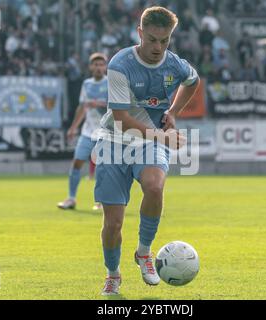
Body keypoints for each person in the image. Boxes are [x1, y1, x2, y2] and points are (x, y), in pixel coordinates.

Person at [94, 6, 199, 295]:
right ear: (140, 33)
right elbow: (122, 120)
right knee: (113, 224)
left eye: (164, 41)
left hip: (150, 142)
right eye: (152, 39)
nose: (158, 47)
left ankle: (144, 252)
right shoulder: (119, 65)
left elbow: (193, 81)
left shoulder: (175, 64)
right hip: (114, 141)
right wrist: (163, 137)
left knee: (154, 186)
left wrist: (174, 112)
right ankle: (113, 274)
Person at [57, 52, 108, 211]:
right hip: (87, 132)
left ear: (105, 67)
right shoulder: (86, 84)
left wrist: (98, 104)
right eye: (96, 64)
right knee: (77, 163)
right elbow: (82, 107)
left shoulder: (111, 83)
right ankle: (71, 198)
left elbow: (116, 107)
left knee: (103, 168)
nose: (99, 67)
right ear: (91, 67)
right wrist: (73, 127)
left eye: (101, 64)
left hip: (105, 132)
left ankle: (101, 201)